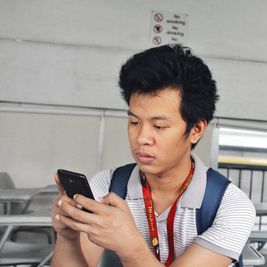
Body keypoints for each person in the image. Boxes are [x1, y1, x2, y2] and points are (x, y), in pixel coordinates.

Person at [51, 44, 255, 267]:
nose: (141, 138)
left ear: (196, 129)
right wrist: (68, 238)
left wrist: (130, 247)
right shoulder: (108, 185)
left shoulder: (230, 206)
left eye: (158, 126)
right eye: (134, 122)